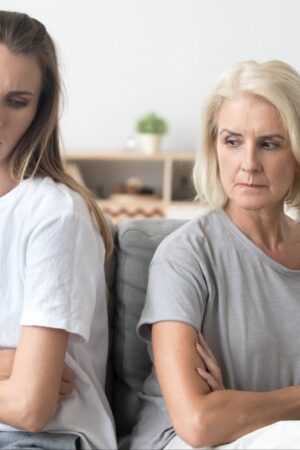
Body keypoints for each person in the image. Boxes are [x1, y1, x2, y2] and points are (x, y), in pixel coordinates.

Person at [129, 59, 300, 450]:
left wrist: (236, 404)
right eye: (233, 141)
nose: (249, 164)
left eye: (270, 143)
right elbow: (199, 422)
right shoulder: (184, 257)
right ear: (214, 147)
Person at [0, 10, 117, 450]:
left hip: (44, 438)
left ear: (41, 108)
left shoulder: (55, 216)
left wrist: (21, 374)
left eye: (17, 100)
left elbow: (31, 406)